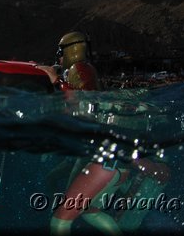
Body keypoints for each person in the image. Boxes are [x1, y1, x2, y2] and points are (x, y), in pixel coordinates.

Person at [46, 31, 170, 235]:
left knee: (59, 223)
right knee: (90, 211)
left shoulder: (80, 69)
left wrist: (55, 81)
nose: (59, 56)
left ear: (70, 50)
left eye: (60, 51)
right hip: (113, 162)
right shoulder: (83, 70)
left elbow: (84, 102)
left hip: (105, 160)